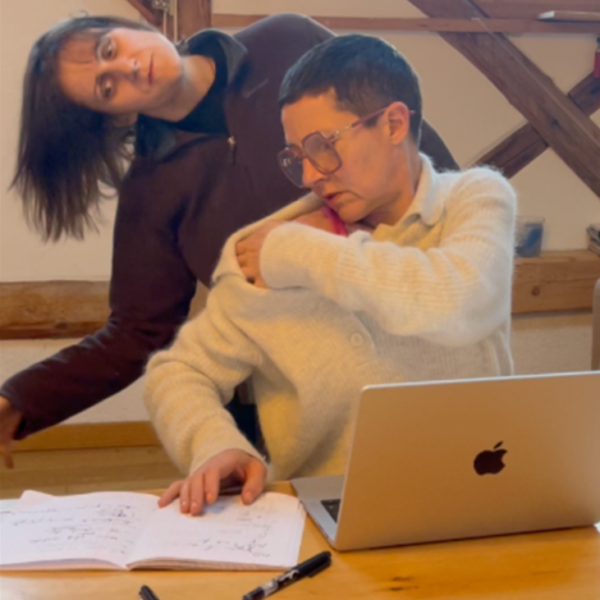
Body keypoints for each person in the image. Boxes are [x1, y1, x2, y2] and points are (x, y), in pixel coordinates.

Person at [0, 12, 461, 466]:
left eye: (109, 49)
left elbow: (435, 171)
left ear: (130, 28)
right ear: (112, 119)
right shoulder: (150, 191)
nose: (128, 67)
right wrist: (17, 400)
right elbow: (137, 333)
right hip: (305, 417)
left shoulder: (288, 41)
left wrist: (331, 232)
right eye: (106, 87)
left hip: (430, 366)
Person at [144, 34, 516, 516]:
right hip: (328, 520)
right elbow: (176, 371)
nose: (312, 176)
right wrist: (213, 442)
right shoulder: (262, 253)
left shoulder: (474, 199)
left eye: (322, 146)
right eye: (297, 157)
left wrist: (303, 255)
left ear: (394, 124)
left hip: (486, 498)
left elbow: (457, 298)